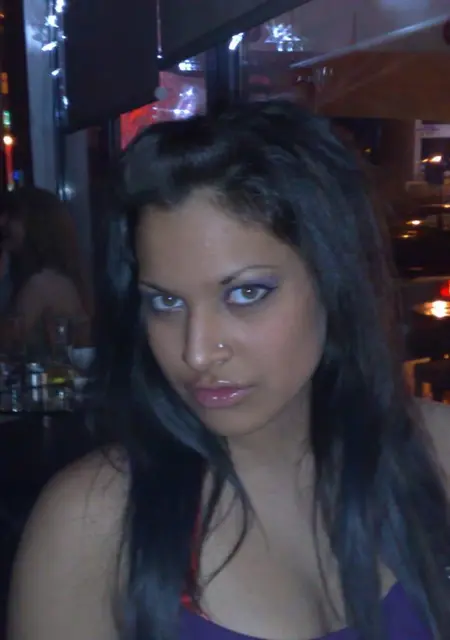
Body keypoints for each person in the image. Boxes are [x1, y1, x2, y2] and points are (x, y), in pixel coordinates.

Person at [7, 101, 450, 640]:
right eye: (166, 302)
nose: (197, 352)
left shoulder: (436, 454)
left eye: (245, 293)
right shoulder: (94, 526)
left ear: (334, 282)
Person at [0, 187, 93, 344]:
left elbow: (7, 342)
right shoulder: (59, 277)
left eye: (13, 216)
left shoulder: (41, 285)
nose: (3, 222)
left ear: (36, 225)